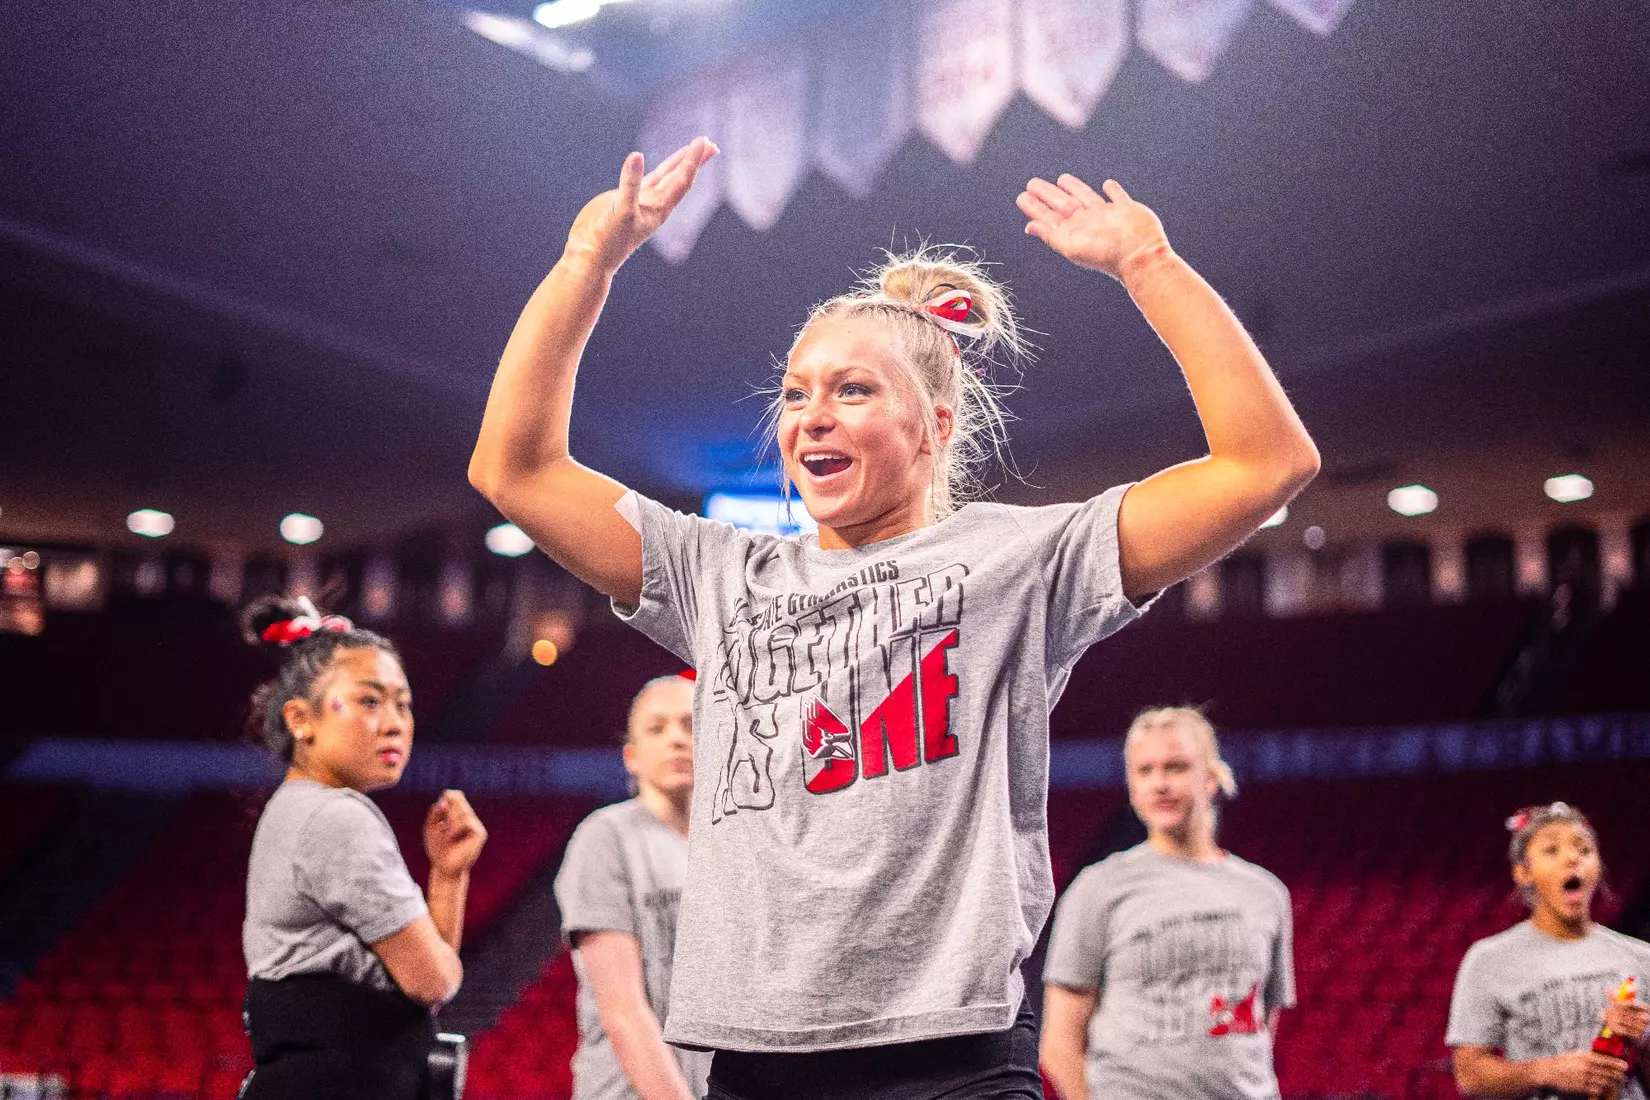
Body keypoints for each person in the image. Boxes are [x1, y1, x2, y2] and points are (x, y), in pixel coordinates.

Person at [468, 138, 1318, 1098]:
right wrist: (589, 262)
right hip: (753, 1062)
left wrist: (1149, 266)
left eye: (853, 390)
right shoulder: (721, 574)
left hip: (951, 1059)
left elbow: (1264, 463)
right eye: (794, 393)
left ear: (937, 426)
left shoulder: (1016, 560)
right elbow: (517, 469)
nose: (810, 416)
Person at [239, 596, 488, 1100]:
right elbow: (433, 982)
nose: (395, 723)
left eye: (403, 704)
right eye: (370, 701)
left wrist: (447, 874)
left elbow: (422, 988)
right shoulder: (337, 817)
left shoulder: (296, 806)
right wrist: (439, 970)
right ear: (299, 719)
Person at [1040, 707, 1293, 1100]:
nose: (1159, 783)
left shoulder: (1266, 893)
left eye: (1175, 767)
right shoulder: (1098, 888)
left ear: (1210, 778)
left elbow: (1262, 1024)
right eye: (1144, 770)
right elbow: (1059, 1045)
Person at [556, 672, 710, 1100]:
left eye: (692, 725)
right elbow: (624, 1010)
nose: (677, 739)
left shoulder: (730, 844)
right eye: (657, 728)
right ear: (632, 756)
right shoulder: (604, 836)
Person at [1448, 802, 1650, 1099]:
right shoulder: (1489, 960)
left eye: (1584, 850)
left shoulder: (1641, 956)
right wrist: (1549, 1071)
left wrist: (1643, 1041)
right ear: (1522, 872)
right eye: (1551, 850)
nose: (1572, 859)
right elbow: (1470, 1076)